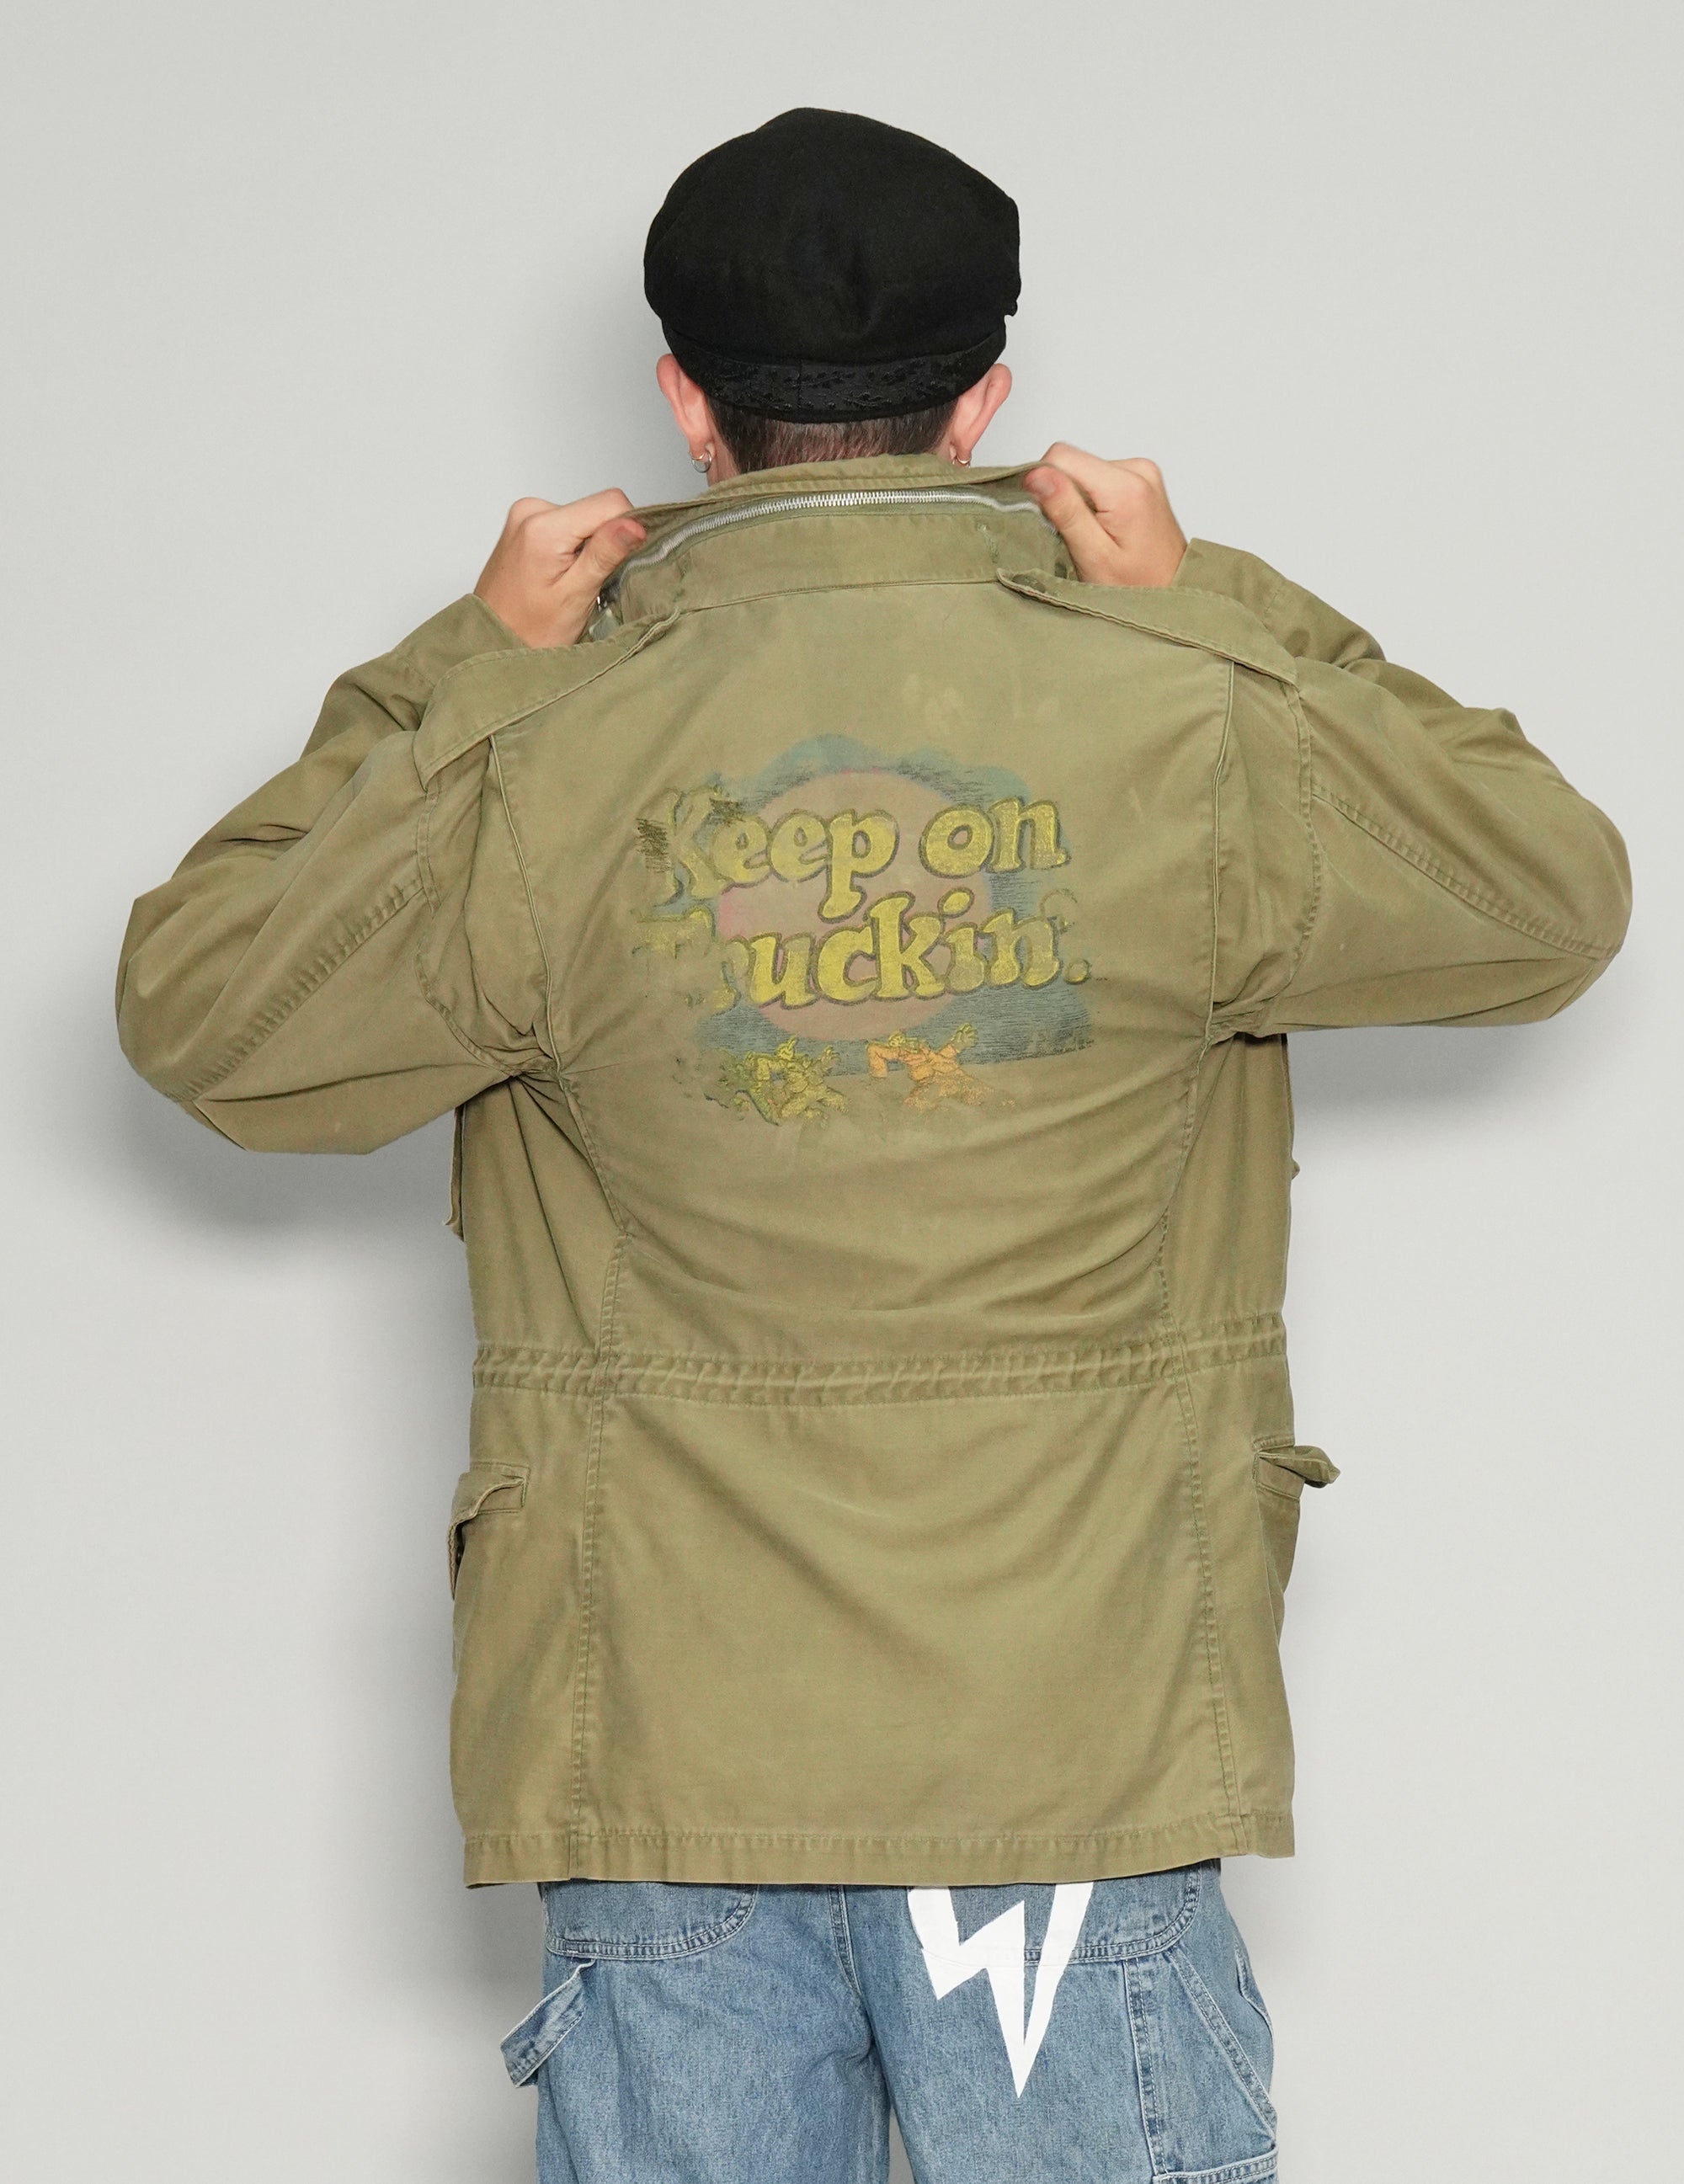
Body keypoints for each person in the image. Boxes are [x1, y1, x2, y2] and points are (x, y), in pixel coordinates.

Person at [117, 107, 1629, 2184]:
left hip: (670, 1743)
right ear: (985, 396)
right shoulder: (1184, 711)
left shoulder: (539, 745)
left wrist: (471, 668)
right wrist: (1211, 613)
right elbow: (1549, 896)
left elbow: (209, 1015)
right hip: (1069, 1734)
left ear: (685, 401)